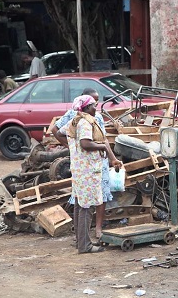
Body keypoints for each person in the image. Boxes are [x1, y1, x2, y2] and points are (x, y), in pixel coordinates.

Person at [55, 95, 122, 254]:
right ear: (85, 108)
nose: (95, 107)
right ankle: (85, 246)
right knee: (86, 206)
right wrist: (103, 148)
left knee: (80, 204)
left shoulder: (75, 121)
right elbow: (85, 143)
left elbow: (59, 133)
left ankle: (81, 242)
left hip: (79, 169)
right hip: (88, 170)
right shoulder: (85, 122)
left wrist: (73, 149)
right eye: (93, 105)